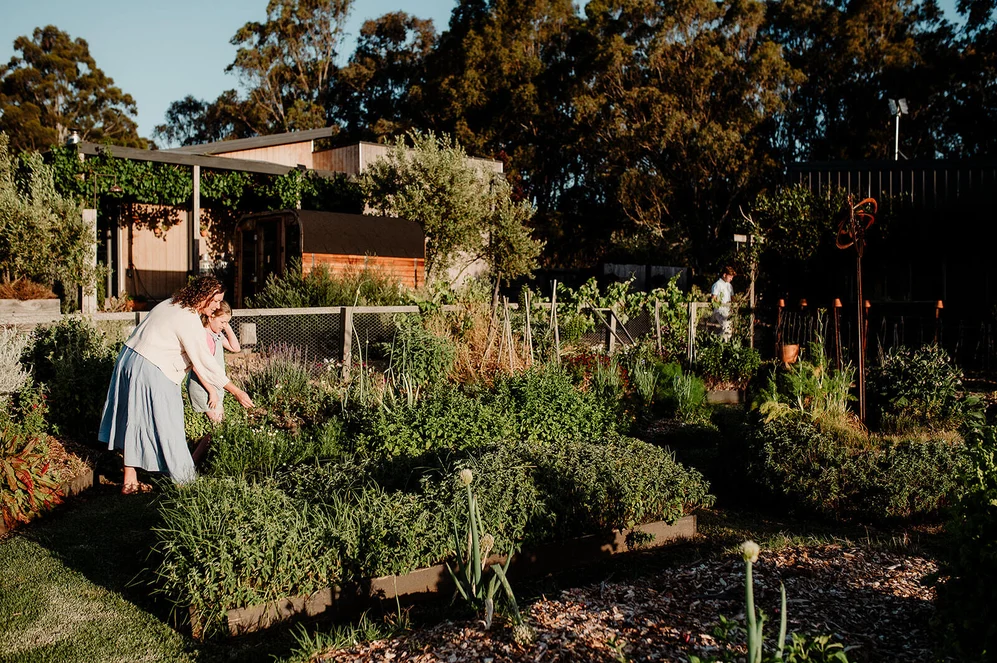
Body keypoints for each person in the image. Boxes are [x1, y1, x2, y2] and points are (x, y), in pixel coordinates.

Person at [98, 276, 254, 493]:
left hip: (129, 360)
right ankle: (185, 482)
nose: (218, 306)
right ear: (204, 296)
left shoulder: (171, 303)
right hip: (152, 367)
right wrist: (236, 391)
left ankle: (129, 480)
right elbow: (204, 361)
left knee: (132, 418)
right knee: (170, 424)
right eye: (216, 300)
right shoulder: (188, 319)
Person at [188, 301, 240, 425]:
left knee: (218, 423)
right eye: (222, 322)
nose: (224, 325)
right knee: (217, 422)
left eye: (227, 322)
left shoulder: (216, 334)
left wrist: (226, 326)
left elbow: (235, 348)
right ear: (211, 318)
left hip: (215, 386)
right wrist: (212, 392)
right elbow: (197, 367)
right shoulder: (205, 337)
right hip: (204, 388)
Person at [711, 266, 736, 340]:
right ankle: (717, 341)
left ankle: (719, 341)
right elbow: (713, 298)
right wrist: (720, 303)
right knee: (726, 328)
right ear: (724, 275)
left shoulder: (729, 286)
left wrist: (733, 305)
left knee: (729, 330)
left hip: (728, 311)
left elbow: (732, 298)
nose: (731, 279)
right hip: (720, 310)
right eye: (730, 277)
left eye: (732, 277)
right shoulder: (717, 284)